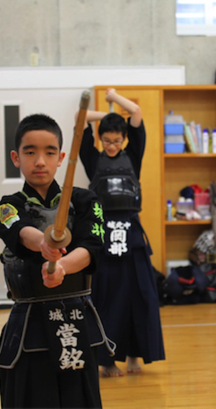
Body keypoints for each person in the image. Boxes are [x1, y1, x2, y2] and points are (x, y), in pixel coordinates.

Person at [0, 113, 113, 408]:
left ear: (61, 158)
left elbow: (92, 246)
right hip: (30, 322)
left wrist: (61, 266)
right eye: (30, 151)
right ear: (15, 157)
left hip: (75, 317)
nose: (40, 161)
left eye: (49, 152)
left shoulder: (87, 201)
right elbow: (20, 231)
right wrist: (44, 244)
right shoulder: (8, 205)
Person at [79, 88, 165, 377]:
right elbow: (80, 118)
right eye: (106, 140)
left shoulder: (134, 155)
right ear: (99, 140)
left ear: (125, 139)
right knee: (107, 297)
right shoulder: (92, 159)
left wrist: (114, 97)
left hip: (131, 232)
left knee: (140, 295)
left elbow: (137, 114)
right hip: (103, 234)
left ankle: (134, 356)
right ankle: (106, 360)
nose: (112, 145)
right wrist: (109, 116)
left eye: (117, 140)